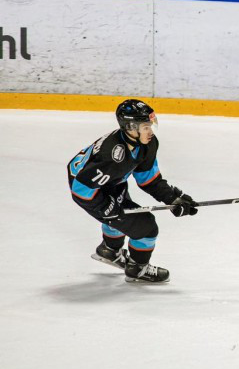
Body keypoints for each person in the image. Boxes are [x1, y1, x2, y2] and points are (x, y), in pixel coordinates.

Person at [67, 99, 198, 283]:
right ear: (130, 127)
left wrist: (173, 198)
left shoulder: (146, 144)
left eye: (150, 126)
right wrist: (105, 207)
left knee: (119, 214)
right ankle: (138, 268)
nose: (150, 131)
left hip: (112, 182)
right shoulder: (112, 156)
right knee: (146, 227)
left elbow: (149, 180)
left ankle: (110, 250)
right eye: (145, 127)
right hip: (90, 192)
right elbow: (81, 189)